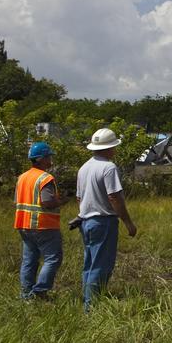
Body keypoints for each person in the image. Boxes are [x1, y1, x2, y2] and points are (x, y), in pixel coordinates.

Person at [77, 127, 137, 309]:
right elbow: (114, 197)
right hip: (103, 221)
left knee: (90, 262)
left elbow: (79, 197)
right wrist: (128, 223)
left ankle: (86, 297)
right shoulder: (108, 167)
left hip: (86, 221)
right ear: (109, 148)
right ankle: (91, 305)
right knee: (101, 264)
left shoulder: (84, 167)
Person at [14, 141, 71, 300]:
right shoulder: (45, 178)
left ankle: (26, 295)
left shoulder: (22, 177)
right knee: (53, 258)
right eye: (48, 157)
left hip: (24, 224)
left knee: (29, 260)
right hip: (43, 225)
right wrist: (62, 201)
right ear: (40, 159)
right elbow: (47, 202)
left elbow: (17, 201)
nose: (50, 160)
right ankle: (40, 290)